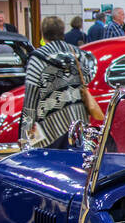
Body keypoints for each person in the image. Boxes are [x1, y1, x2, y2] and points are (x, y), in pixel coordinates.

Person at [20, 16, 103, 150]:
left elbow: (31, 96)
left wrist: (25, 133)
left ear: (43, 34)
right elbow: (89, 74)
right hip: (77, 120)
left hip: (49, 125)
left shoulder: (37, 58)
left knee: (52, 166)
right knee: (76, 164)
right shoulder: (76, 53)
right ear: (63, 32)